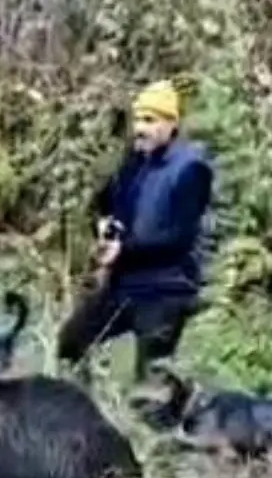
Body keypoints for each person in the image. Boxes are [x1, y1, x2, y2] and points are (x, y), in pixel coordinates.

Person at [57, 81, 214, 384]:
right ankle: (85, 415)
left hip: (166, 290)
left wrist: (124, 249)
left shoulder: (192, 169)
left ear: (172, 124)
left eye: (150, 120)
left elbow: (178, 239)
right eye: (139, 120)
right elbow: (108, 203)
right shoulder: (135, 159)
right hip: (123, 284)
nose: (140, 128)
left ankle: (170, 423)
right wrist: (104, 225)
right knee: (71, 343)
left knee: (150, 387)